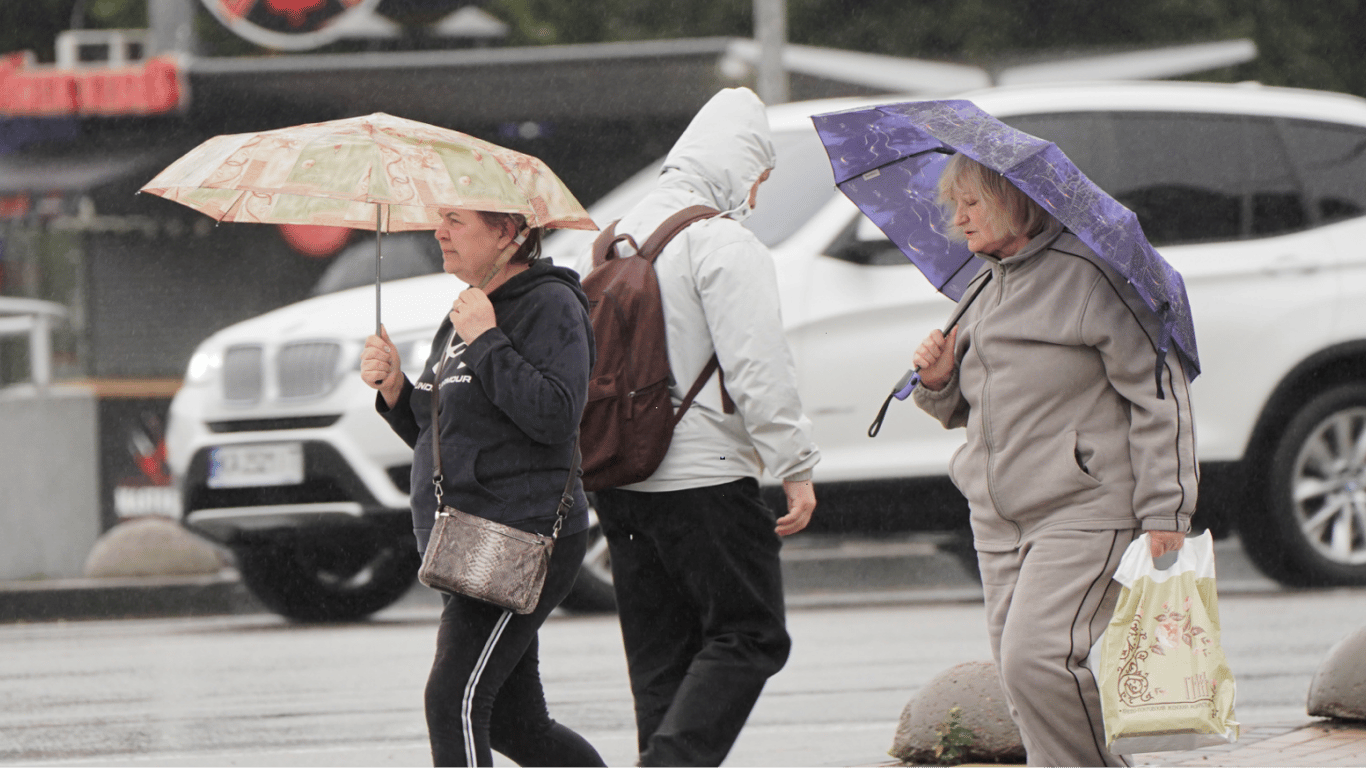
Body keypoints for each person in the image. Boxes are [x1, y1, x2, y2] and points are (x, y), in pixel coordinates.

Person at [911, 154, 1198, 767]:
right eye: (953, 205)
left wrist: (1167, 509)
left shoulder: (1094, 277)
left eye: (971, 202)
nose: (957, 219)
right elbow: (982, 409)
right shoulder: (984, 286)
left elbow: (1159, 390)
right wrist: (938, 383)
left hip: (1084, 508)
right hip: (997, 519)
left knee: (1037, 663)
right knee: (1024, 686)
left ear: (1016, 198)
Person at [590, 86, 822, 767]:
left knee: (661, 656)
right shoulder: (721, 243)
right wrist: (795, 466)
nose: (758, 190)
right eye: (760, 174)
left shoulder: (611, 241)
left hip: (622, 478)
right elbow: (759, 368)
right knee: (750, 634)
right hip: (704, 479)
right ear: (739, 163)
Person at [360, 208, 604, 768]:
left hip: (517, 534)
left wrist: (488, 338)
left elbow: (555, 415)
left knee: (453, 701)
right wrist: (396, 388)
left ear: (508, 233)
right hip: (463, 540)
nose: (438, 232)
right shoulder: (464, 313)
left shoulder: (551, 304)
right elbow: (438, 430)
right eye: (439, 220)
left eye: (455, 220)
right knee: (519, 725)